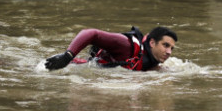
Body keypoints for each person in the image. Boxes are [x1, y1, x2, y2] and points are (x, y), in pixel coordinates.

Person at [45, 26, 177, 71]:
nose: (169, 52)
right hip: (66, 66)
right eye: (165, 45)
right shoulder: (127, 45)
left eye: (172, 48)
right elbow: (91, 33)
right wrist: (68, 55)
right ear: (152, 43)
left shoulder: (154, 65)